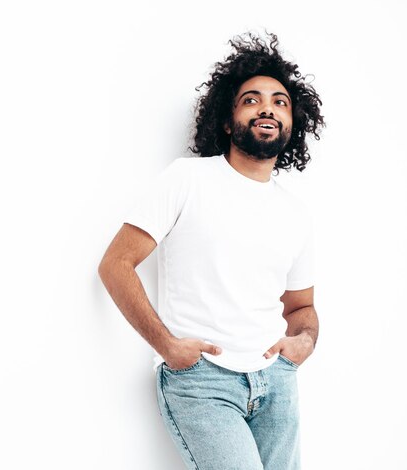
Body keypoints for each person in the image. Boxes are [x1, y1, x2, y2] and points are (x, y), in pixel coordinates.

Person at [97, 32, 325, 470]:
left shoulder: (296, 214)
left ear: (292, 123)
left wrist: (305, 342)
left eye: (280, 102)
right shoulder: (188, 180)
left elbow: (302, 306)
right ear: (227, 120)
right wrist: (167, 346)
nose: (268, 108)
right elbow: (116, 264)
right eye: (252, 99)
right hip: (202, 380)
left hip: (276, 380)